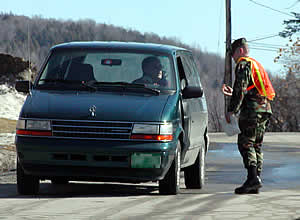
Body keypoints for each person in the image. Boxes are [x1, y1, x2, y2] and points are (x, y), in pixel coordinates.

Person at [222, 38, 275, 194]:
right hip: (264, 108)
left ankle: (252, 178)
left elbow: (241, 89)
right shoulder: (256, 64)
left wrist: (232, 110)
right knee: (256, 145)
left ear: (240, 50)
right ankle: (255, 179)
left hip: (252, 110)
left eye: (233, 54)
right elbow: (252, 89)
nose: (233, 58)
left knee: (246, 143)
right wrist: (235, 94)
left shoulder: (243, 64)